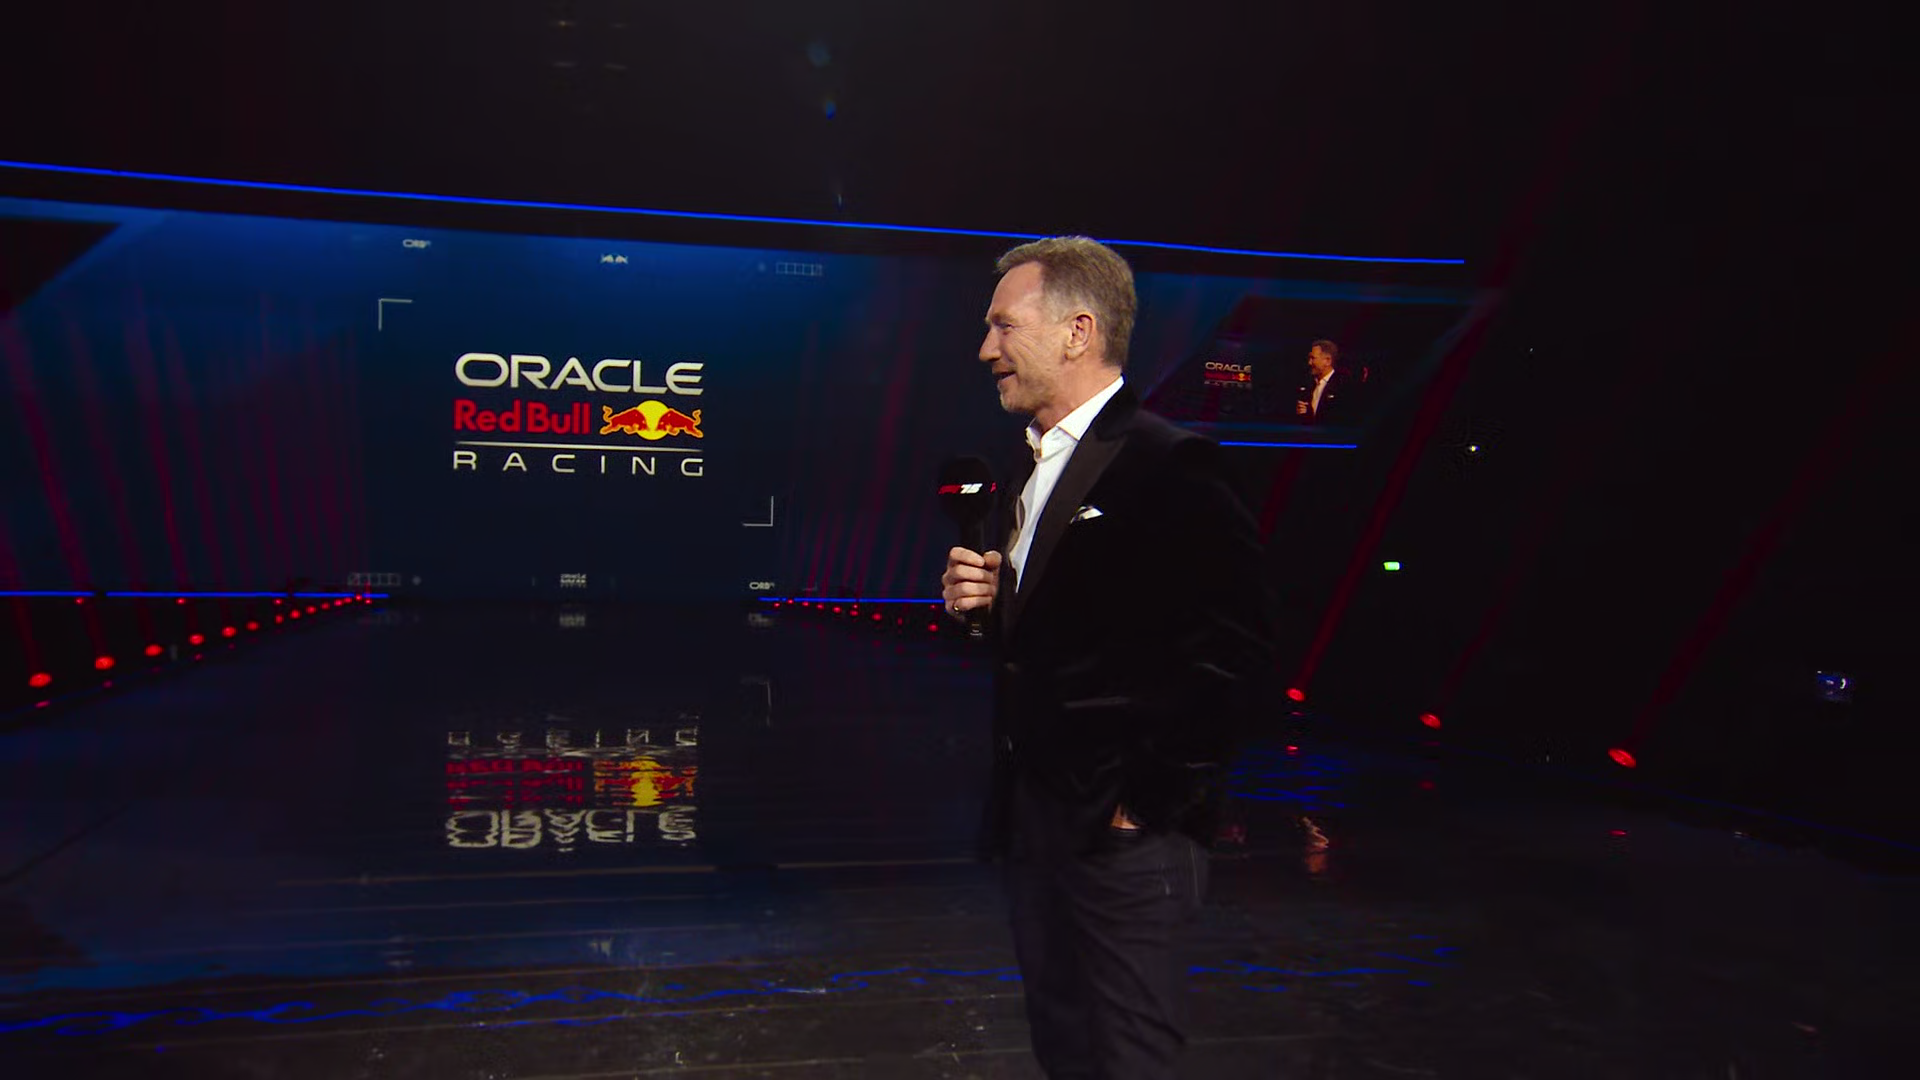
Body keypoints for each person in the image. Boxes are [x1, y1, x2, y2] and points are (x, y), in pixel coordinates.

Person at [941, 236, 1272, 1079]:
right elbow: (1065, 637)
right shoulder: (1027, 471)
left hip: (1126, 832)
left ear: (1078, 331)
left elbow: (1235, 652)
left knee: (1130, 1055)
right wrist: (986, 609)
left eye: (1003, 326)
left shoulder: (1170, 465)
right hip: (1037, 819)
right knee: (1064, 1041)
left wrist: (1148, 800)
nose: (985, 349)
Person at [1294, 339, 1353, 425]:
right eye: (1309, 358)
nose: (1309, 362)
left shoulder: (1343, 386)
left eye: (1313, 358)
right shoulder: (1308, 384)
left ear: (1327, 361)